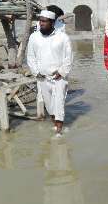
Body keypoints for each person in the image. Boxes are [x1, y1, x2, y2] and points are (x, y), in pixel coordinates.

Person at [27, 10, 73, 138]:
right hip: (42, 78)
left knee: (58, 104)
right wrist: (36, 72)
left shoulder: (62, 37)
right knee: (49, 106)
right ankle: (56, 124)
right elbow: (31, 57)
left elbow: (68, 58)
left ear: (52, 22)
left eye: (44, 21)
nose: (41, 23)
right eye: (40, 21)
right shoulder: (34, 37)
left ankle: (59, 132)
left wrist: (62, 72)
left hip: (59, 77)